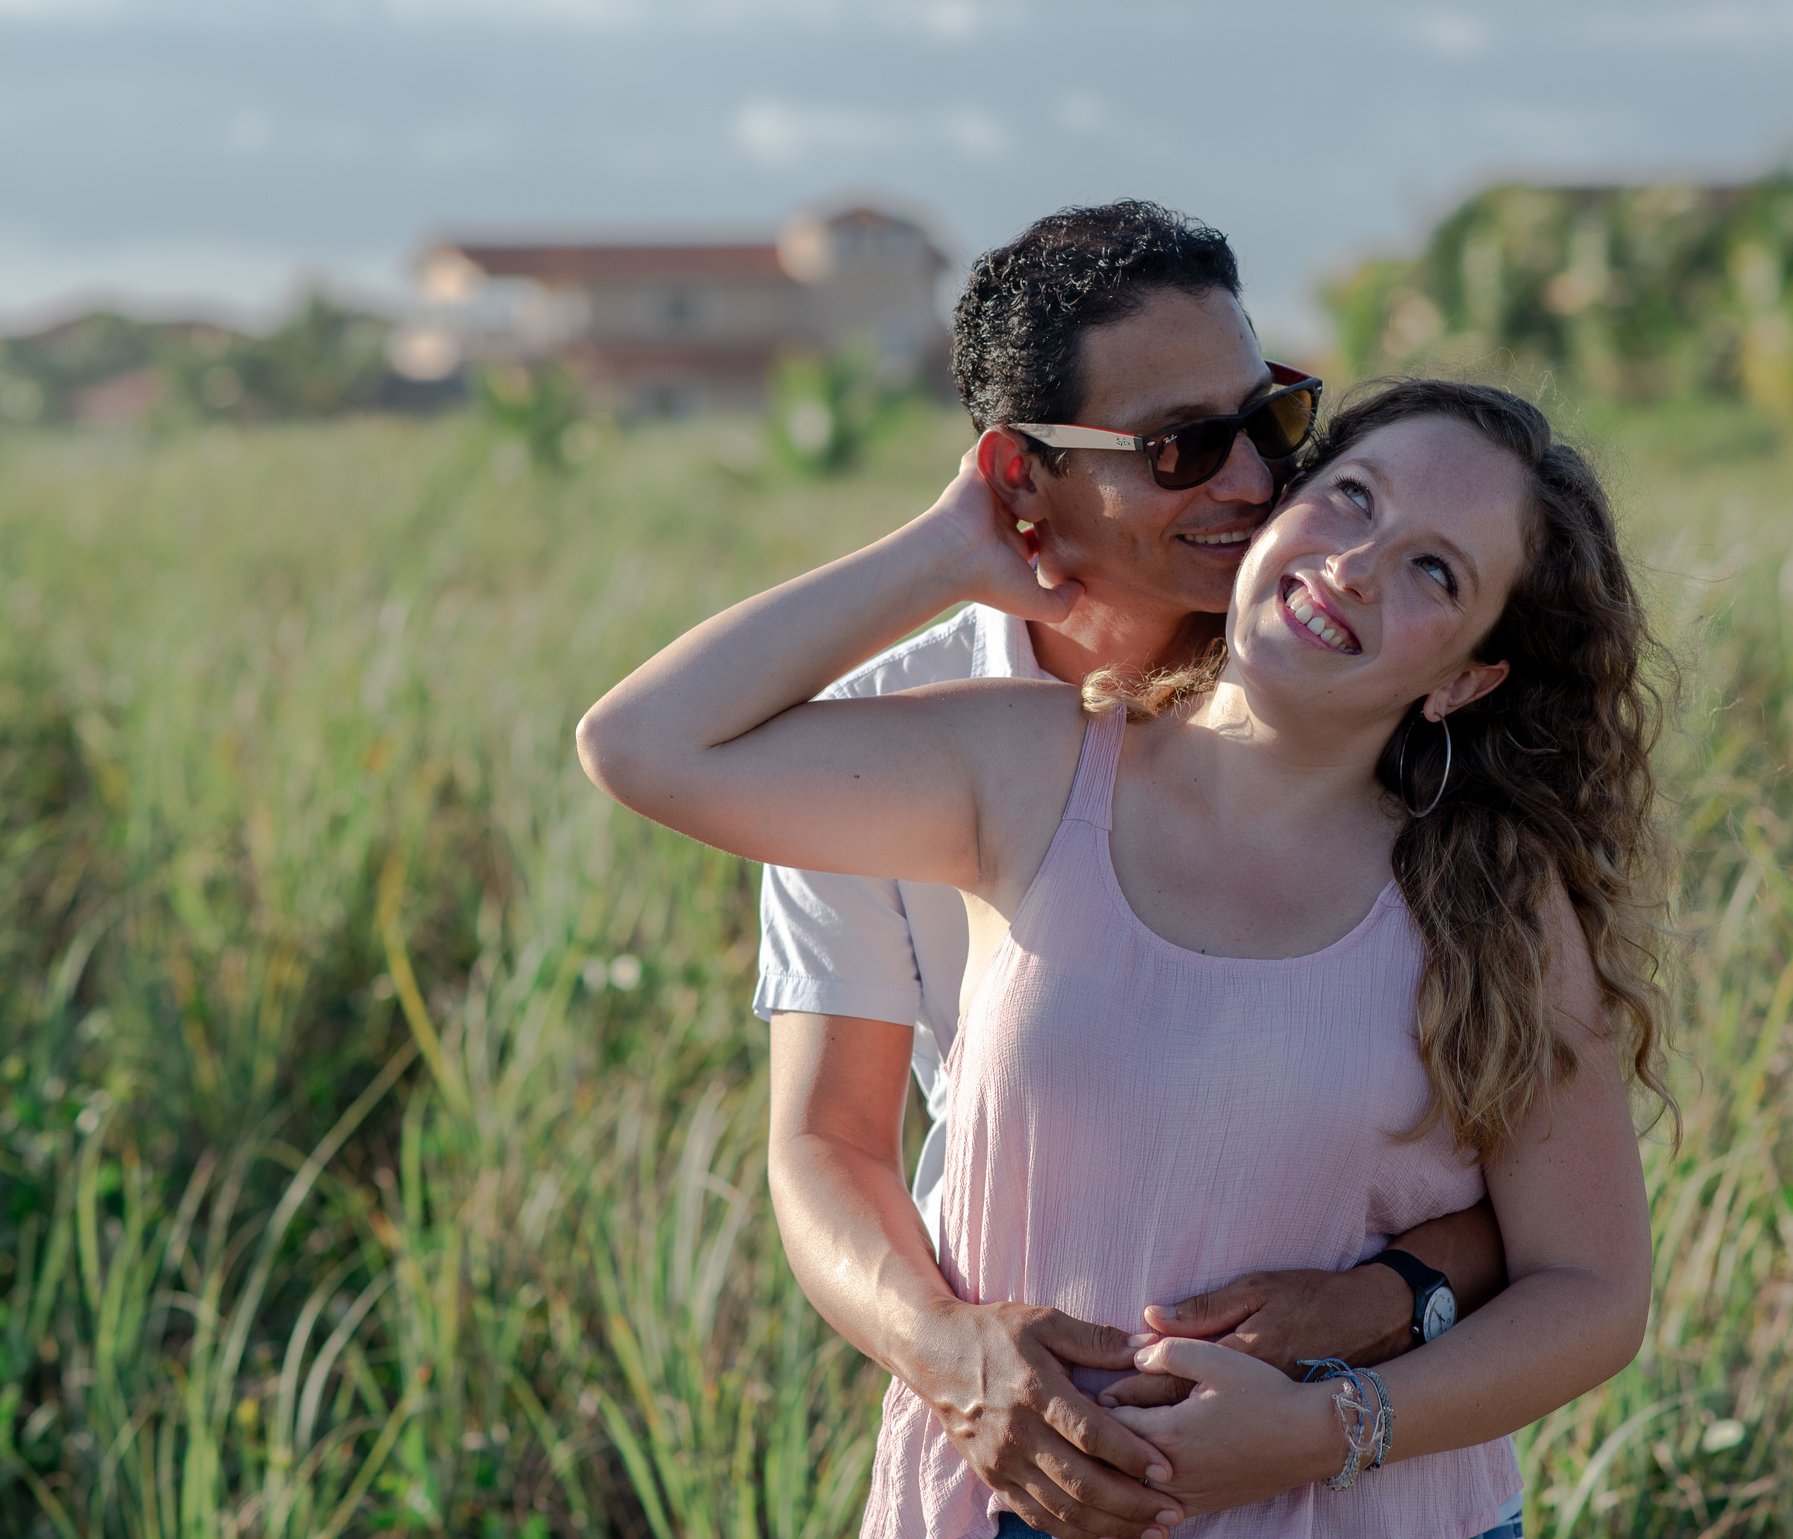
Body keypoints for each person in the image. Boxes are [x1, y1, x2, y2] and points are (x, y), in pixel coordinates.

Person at [578, 374, 1673, 1539]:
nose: (1357, 564)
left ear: (1464, 674)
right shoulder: (1038, 766)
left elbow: (1591, 1291)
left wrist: (1326, 1426)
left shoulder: (1491, 897)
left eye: (1434, 571)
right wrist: (949, 547)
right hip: (1015, 1496)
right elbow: (644, 744)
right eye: (1351, 497)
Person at [753, 205, 1512, 1539]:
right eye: (1181, 447)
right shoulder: (892, 739)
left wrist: (1389, 1297)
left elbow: (1554, 1203)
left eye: (1269, 420)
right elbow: (827, 1140)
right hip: (1038, 1462)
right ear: (1020, 475)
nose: (1249, 484)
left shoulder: (1346, 676)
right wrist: (951, 1354)